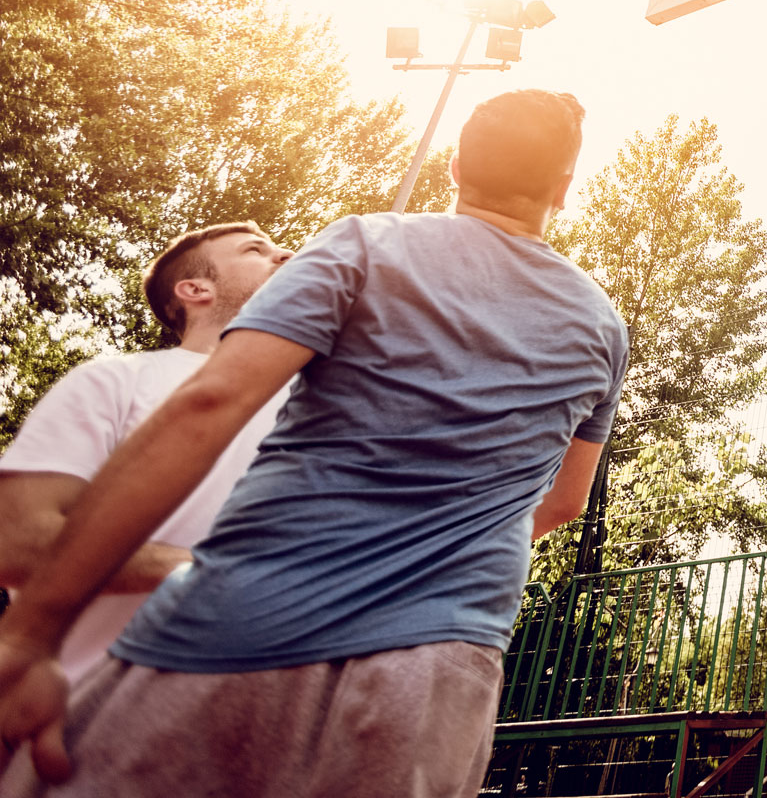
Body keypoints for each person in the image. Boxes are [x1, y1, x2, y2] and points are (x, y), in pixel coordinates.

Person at [0, 88, 628, 798]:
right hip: (438, 663)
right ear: (563, 190)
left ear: (455, 167)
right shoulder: (603, 326)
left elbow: (211, 401)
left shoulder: (366, 243)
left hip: (245, 619)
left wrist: (30, 631)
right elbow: (564, 503)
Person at [0, 224, 295, 682]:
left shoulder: (331, 400)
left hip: (281, 725)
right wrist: (221, 572)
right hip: (89, 714)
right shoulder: (117, 381)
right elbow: (13, 541)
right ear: (195, 289)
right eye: (256, 250)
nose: (286, 255)